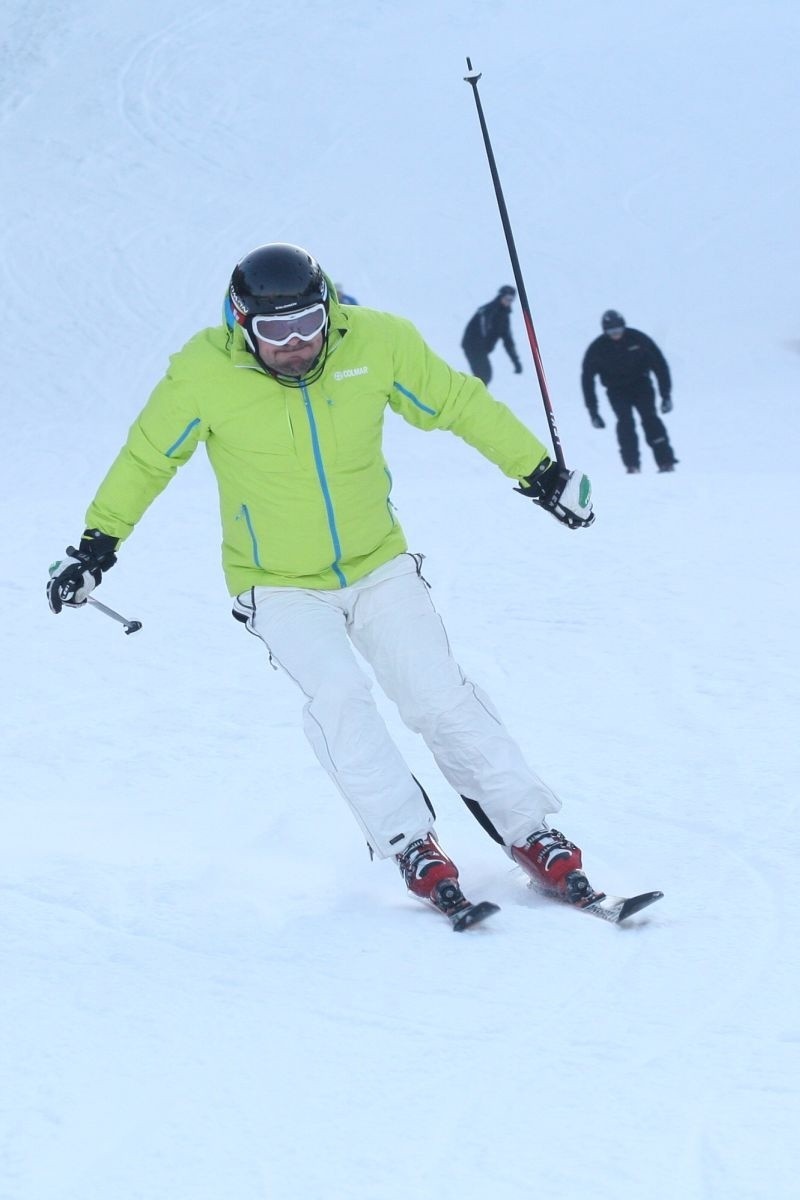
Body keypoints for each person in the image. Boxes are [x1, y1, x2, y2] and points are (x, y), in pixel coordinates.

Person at [47, 242, 604, 931]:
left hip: (378, 563)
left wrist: (539, 474)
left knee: (438, 695)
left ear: (330, 308)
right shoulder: (202, 372)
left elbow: (458, 404)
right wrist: (95, 548)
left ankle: (530, 831)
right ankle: (409, 842)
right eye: (276, 332)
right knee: (341, 698)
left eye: (310, 323)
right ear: (241, 322)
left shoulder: (375, 342)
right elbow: (145, 460)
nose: (297, 345)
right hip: (276, 584)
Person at [581, 310, 678, 473]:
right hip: (616, 390)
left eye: (618, 330)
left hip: (642, 385)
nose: (616, 334)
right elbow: (587, 380)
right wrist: (593, 412)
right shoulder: (598, 348)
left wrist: (665, 395)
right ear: (605, 331)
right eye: (611, 331)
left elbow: (660, 365)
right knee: (625, 422)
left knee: (650, 419)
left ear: (623, 326)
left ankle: (666, 461)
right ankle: (632, 465)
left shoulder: (638, 339)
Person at [461, 285, 522, 384]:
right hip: (472, 345)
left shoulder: (504, 317)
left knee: (484, 376)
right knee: (484, 375)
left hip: (481, 349)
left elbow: (508, 341)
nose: (509, 302)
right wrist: (481, 346)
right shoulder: (489, 310)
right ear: (501, 296)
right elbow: (480, 328)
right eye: (507, 298)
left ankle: (472, 395)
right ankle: (470, 395)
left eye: (511, 299)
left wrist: (516, 362)